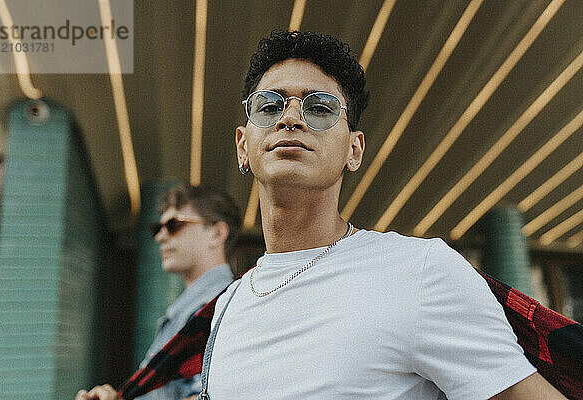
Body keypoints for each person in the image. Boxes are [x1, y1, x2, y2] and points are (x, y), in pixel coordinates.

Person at [79, 31, 568, 400]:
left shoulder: (419, 271)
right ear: (243, 145)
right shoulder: (226, 308)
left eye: (320, 108)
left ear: (354, 150)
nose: (291, 117)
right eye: (270, 105)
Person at [76, 184, 240, 400]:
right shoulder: (194, 308)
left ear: (217, 233)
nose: (160, 237)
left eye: (174, 225)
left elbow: (211, 396)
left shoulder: (221, 307)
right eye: (157, 228)